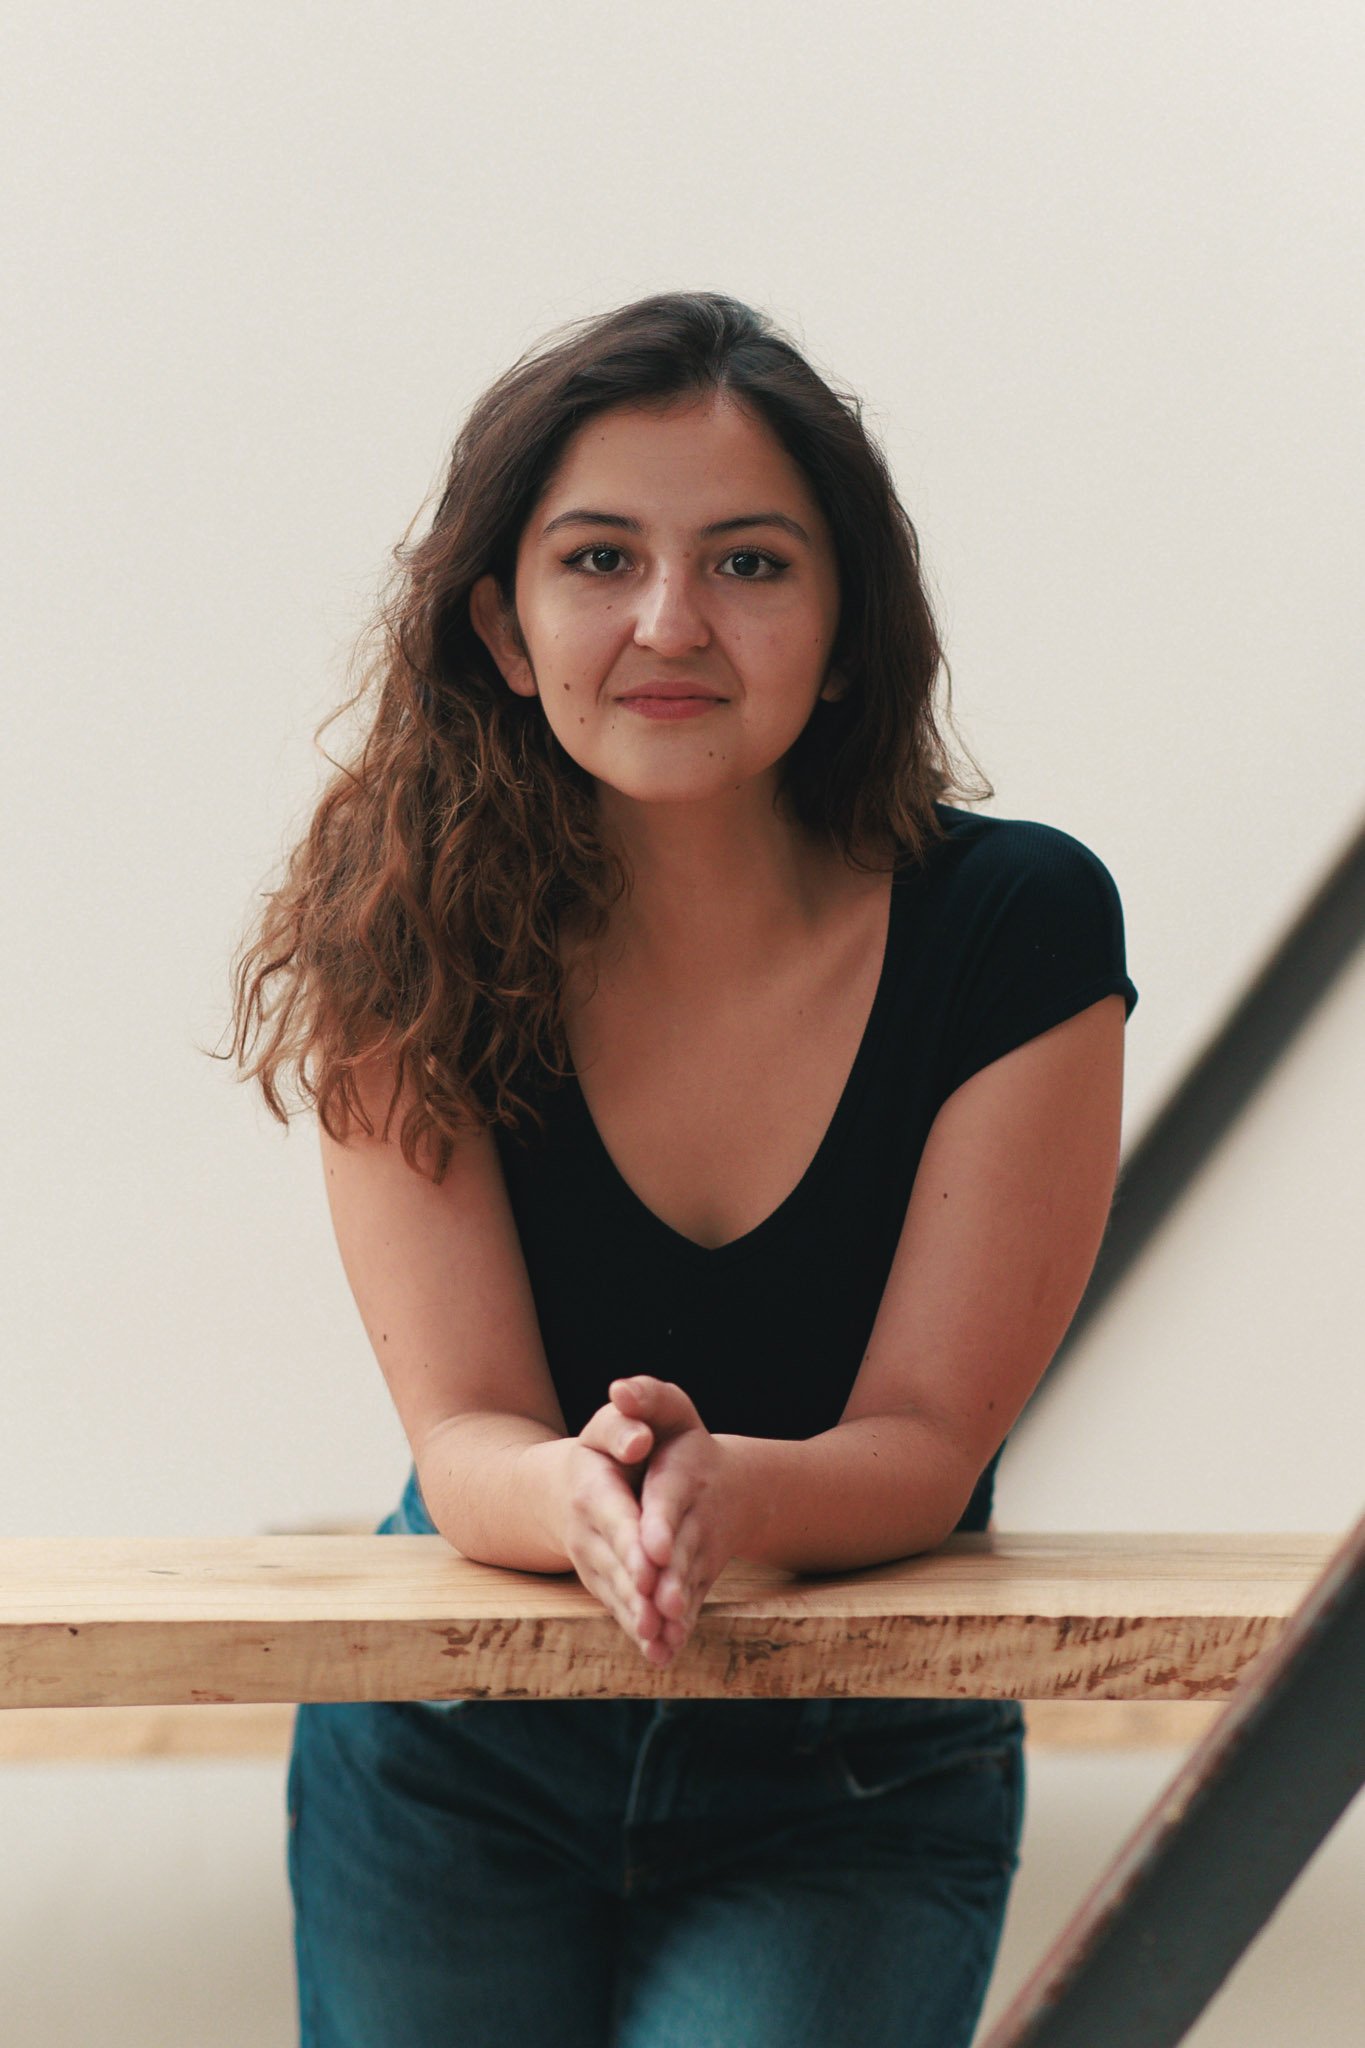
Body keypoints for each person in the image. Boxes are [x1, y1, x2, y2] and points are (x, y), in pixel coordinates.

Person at [227, 290, 1138, 2048]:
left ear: (847, 623)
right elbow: (469, 1432)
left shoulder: (1018, 930)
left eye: (747, 564)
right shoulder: (398, 930)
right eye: (594, 560)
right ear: (502, 623)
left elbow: (930, 1444)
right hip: (454, 1742)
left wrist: (735, 1496)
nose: (667, 623)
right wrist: (577, 1497)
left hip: (848, 1764)